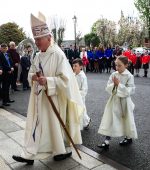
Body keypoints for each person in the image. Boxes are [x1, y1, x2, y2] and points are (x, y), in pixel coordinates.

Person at [12, 12, 84, 164]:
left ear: (49, 38)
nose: (37, 42)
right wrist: (33, 77)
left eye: (39, 39)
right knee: (35, 125)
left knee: (52, 125)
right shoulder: (37, 56)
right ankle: (30, 154)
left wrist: (48, 81)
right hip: (39, 98)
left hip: (54, 98)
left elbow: (66, 80)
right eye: (36, 39)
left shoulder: (58, 55)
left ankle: (59, 151)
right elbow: (31, 72)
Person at [97, 56, 137, 149]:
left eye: (120, 66)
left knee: (126, 119)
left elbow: (129, 91)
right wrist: (114, 85)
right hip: (114, 100)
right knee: (110, 119)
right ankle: (106, 141)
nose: (117, 68)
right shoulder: (114, 74)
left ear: (126, 65)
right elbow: (108, 87)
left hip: (124, 103)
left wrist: (119, 85)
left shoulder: (129, 76)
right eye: (116, 65)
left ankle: (128, 137)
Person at [72, 58, 91, 130]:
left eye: (76, 66)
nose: (74, 68)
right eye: (73, 66)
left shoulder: (83, 77)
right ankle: (85, 122)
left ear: (81, 67)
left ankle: (86, 122)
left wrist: (77, 93)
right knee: (77, 110)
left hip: (80, 96)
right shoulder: (73, 74)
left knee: (81, 110)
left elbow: (84, 89)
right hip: (73, 95)